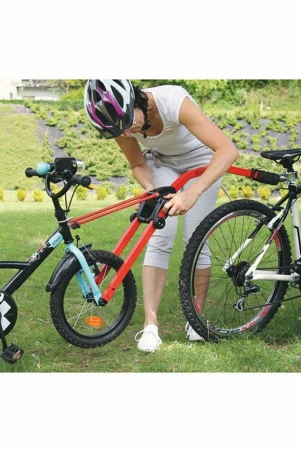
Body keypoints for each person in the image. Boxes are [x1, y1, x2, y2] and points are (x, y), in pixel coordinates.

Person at [84, 80, 239, 352]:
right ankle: (150, 326)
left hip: (202, 162)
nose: (128, 132)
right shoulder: (119, 122)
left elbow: (228, 151)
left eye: (129, 123)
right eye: (121, 130)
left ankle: (196, 318)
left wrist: (192, 194)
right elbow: (137, 163)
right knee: (158, 238)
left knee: (196, 239)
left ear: (136, 100)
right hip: (163, 163)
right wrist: (151, 189)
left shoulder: (172, 101)